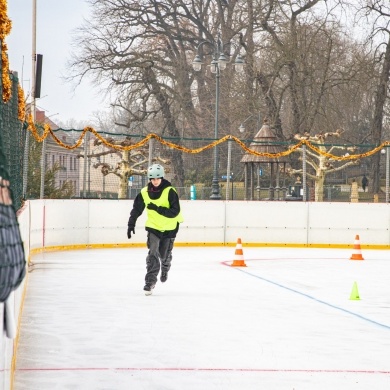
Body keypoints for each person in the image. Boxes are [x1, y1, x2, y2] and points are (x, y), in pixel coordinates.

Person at [127, 164, 183, 295]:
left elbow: (175, 211)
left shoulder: (170, 191)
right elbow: (136, 209)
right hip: (153, 227)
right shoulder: (144, 193)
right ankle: (150, 282)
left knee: (164, 255)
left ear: (162, 178)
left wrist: (157, 209)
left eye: (158, 178)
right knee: (153, 253)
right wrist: (131, 224)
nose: (155, 181)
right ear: (149, 179)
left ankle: (165, 267)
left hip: (170, 228)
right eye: (152, 179)